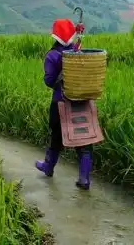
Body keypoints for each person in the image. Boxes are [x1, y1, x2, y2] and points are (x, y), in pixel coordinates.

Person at [35, 18, 93, 190]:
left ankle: (48, 167)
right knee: (84, 141)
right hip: (81, 101)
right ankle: (84, 179)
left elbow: (49, 81)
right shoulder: (77, 52)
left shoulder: (52, 55)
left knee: (56, 137)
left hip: (60, 102)